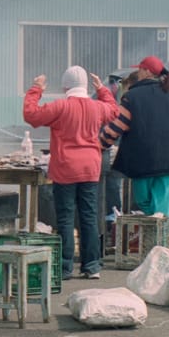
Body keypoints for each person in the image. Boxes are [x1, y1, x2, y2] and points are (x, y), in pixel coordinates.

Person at [24, 65, 118, 280]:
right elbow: (113, 110)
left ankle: (65, 267)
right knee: (89, 216)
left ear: (65, 86)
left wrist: (36, 89)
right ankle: (91, 266)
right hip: (90, 168)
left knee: (65, 218)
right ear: (85, 86)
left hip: (65, 168)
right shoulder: (97, 107)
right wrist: (102, 89)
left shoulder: (60, 106)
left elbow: (31, 115)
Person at [99, 56, 169, 252]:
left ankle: (165, 242)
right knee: (160, 204)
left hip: (143, 161)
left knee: (145, 201)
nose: (138, 72)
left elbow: (117, 127)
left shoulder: (132, 97)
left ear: (147, 72)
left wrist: (101, 143)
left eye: (140, 69)